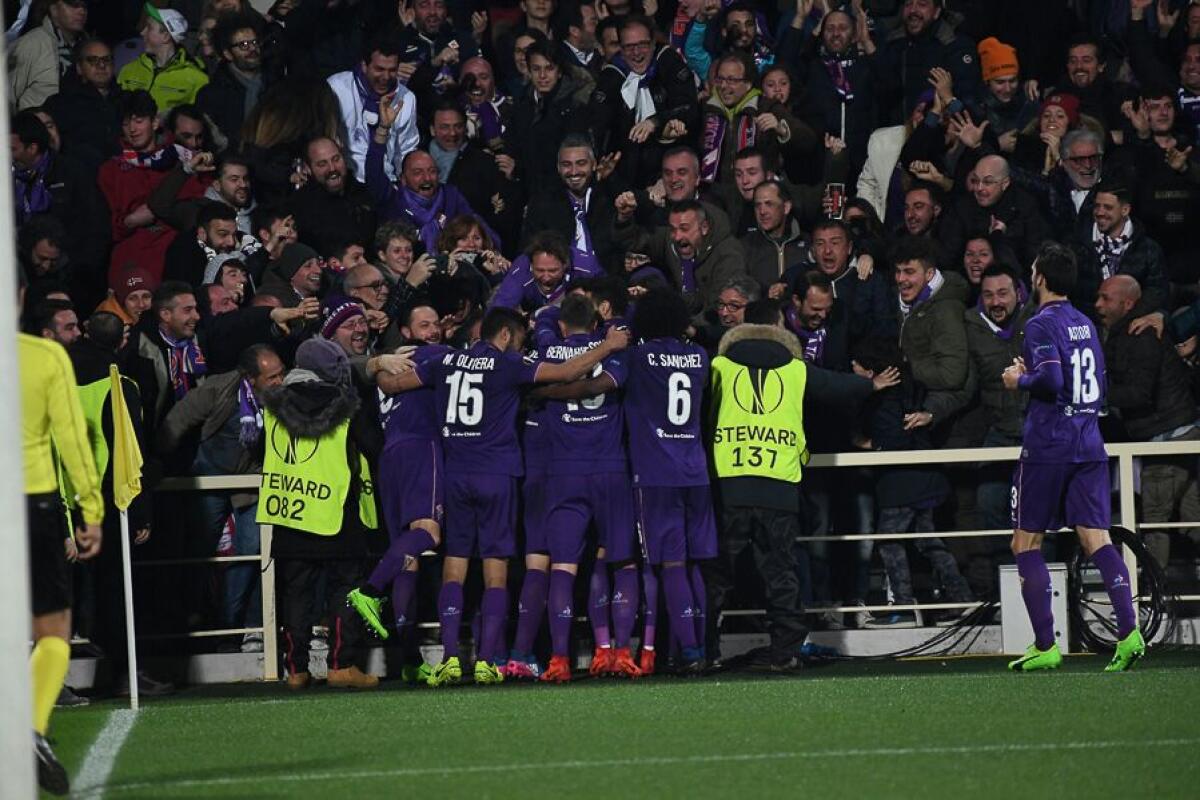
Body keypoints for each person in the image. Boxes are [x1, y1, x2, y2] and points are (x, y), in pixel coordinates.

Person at [377, 307, 631, 686]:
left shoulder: (445, 360)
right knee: (495, 573)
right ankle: (484, 660)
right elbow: (566, 373)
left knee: (455, 567)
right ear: (508, 336)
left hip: (456, 474)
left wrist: (376, 364)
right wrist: (608, 346)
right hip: (497, 476)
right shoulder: (508, 365)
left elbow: (390, 386)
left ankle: (449, 658)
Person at [707, 293, 898, 670]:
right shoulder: (797, 370)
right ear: (778, 330)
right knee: (781, 573)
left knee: (717, 576)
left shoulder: (718, 367)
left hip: (728, 486)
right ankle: (785, 652)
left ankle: (704, 651)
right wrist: (871, 386)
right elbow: (839, 388)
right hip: (779, 488)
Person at [1001, 241, 1146, 672]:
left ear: (1040, 278)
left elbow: (1048, 378)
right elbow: (1098, 387)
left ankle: (1046, 645)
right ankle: (1129, 632)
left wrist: (1018, 379)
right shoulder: (1085, 322)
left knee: (1025, 542)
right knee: (1096, 538)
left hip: (1049, 446)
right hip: (1088, 442)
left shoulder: (1042, 324)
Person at [258, 338, 382, 690]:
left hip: (290, 512)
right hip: (335, 513)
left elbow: (255, 446)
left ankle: (295, 670)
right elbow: (374, 447)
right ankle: (341, 665)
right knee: (345, 588)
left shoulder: (271, 404)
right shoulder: (347, 405)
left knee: (296, 593)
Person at [345, 303, 449, 683]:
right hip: (423, 447)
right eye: (425, 323)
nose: (434, 329)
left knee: (407, 556)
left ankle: (408, 660)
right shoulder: (433, 355)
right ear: (405, 331)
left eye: (436, 322)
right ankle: (370, 590)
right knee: (429, 531)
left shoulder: (389, 362)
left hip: (390, 456)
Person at [20, 328, 103, 794]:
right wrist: (90, 509)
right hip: (31, 503)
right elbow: (72, 434)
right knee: (53, 630)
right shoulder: (44, 355)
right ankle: (27, 728)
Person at [1094, 274, 1199, 570]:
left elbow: (1139, 393)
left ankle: (1154, 605)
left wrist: (1094, 394)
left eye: (1105, 298)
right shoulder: (1128, 331)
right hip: (1179, 433)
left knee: (1155, 522)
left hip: (1168, 438)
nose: (1097, 304)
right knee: (1193, 517)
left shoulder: (1138, 334)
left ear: (1127, 304)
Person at [325, 31, 419, 183]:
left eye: (392, 70)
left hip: (386, 180)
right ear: (364, 65)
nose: (386, 77)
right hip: (345, 179)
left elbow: (406, 149)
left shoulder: (406, 98)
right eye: (379, 69)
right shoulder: (337, 87)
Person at [117, 4, 209, 112]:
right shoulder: (129, 70)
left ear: (165, 36)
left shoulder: (196, 79)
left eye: (149, 28)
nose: (142, 32)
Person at [8, 0, 89, 110]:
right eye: (73, 4)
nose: (81, 11)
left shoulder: (90, 47)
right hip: (37, 124)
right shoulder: (31, 43)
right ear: (54, 9)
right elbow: (6, 98)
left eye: (85, 5)